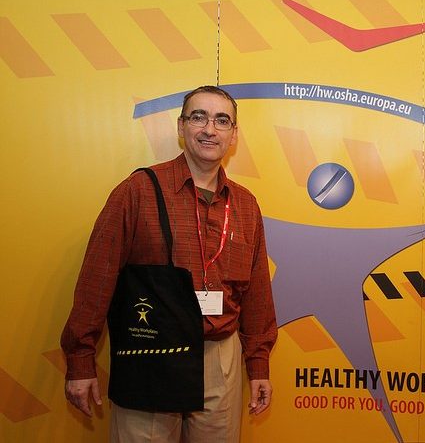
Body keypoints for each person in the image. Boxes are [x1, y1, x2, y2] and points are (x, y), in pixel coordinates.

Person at [61, 85, 277, 442]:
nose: (210, 129)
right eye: (198, 117)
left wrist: (258, 365)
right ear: (181, 126)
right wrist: (81, 360)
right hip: (152, 352)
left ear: (234, 134)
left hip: (220, 358)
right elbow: (97, 278)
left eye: (222, 120)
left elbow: (256, 293)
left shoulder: (245, 205)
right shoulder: (138, 191)